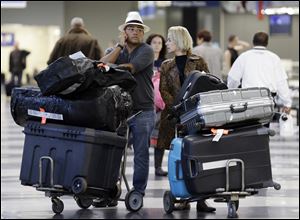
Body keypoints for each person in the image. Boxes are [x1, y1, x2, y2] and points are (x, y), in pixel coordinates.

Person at [93, 11, 155, 208]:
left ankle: (137, 191)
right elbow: (101, 64)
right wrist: (119, 46)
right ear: (124, 32)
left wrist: (110, 68)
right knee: (112, 152)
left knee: (141, 154)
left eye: (139, 29)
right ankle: (108, 191)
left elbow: (130, 68)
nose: (135, 32)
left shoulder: (146, 50)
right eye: (131, 29)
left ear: (143, 33)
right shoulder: (117, 49)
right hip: (118, 111)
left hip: (142, 110)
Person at [157, 26, 216, 212]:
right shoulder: (166, 65)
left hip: (196, 115)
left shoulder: (198, 62)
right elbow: (163, 89)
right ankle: (182, 196)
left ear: (180, 40)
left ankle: (201, 199)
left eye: (169, 39)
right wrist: (177, 107)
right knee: (179, 156)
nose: (167, 43)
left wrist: (191, 106)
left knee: (198, 155)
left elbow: (208, 84)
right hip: (174, 117)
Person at [227, 32, 292, 115]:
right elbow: (281, 82)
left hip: (248, 100)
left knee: (249, 125)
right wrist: (287, 103)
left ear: (253, 42)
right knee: (265, 125)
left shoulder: (244, 57)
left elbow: (233, 78)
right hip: (267, 100)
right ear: (267, 43)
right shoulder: (274, 58)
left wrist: (231, 95)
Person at [146, 34, 168, 177]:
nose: (157, 45)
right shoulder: (144, 60)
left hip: (162, 104)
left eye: (160, 42)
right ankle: (142, 167)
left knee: (159, 135)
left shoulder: (165, 63)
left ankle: (158, 167)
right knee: (144, 136)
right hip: (146, 102)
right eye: (154, 42)